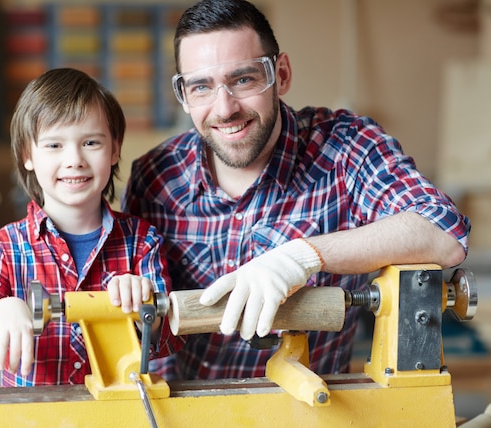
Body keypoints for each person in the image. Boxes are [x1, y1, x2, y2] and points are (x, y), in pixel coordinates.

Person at [122, 0, 470, 381]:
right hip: (184, 413)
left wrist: (303, 256)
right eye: (201, 86)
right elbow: (137, 330)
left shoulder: (346, 148)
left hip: (312, 410)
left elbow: (443, 232)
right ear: (184, 95)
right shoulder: (156, 176)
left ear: (281, 74)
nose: (224, 109)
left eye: (243, 79)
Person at [0, 68, 183, 386]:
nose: (74, 159)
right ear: (27, 155)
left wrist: (147, 312)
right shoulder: (4, 248)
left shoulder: (142, 242)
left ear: (114, 149)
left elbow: (167, 341)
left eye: (90, 142)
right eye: (54, 145)